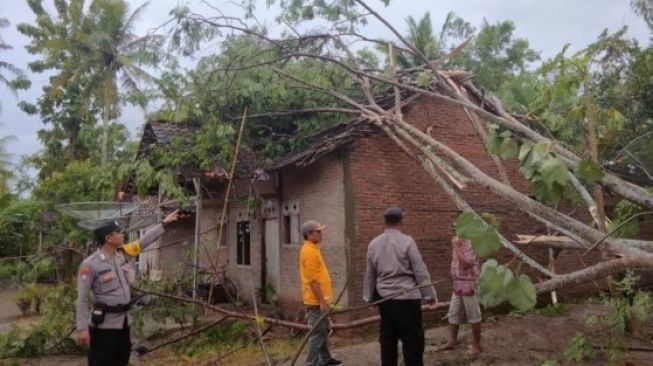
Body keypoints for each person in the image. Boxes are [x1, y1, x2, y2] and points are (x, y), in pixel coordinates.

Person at [76, 210, 180, 366]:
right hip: (105, 326)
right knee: (102, 362)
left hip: (123, 323)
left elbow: (143, 242)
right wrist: (82, 328)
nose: (122, 235)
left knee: (121, 360)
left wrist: (164, 222)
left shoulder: (121, 256)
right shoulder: (90, 264)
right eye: (118, 233)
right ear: (108, 238)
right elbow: (82, 299)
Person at [363, 207, 437, 366]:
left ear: (384, 222)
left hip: (386, 300)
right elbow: (420, 269)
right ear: (401, 221)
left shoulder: (373, 244)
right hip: (407, 300)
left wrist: (370, 298)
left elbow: (370, 274)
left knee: (388, 340)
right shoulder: (407, 241)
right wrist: (429, 295)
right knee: (413, 342)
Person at [298, 220, 343, 366]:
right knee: (317, 333)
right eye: (318, 231)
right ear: (309, 234)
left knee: (323, 331)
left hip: (320, 300)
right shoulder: (309, 252)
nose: (321, 233)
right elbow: (312, 281)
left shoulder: (313, 248)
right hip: (315, 301)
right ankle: (311, 363)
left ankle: (325, 359)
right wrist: (322, 301)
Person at [437, 224, 482, 356]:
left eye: (455, 230)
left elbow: (466, 264)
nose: (453, 233)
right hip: (457, 284)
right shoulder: (458, 241)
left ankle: (476, 346)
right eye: (452, 231)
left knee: (474, 316)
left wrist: (456, 247)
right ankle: (452, 342)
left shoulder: (472, 243)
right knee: (453, 313)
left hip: (469, 285)